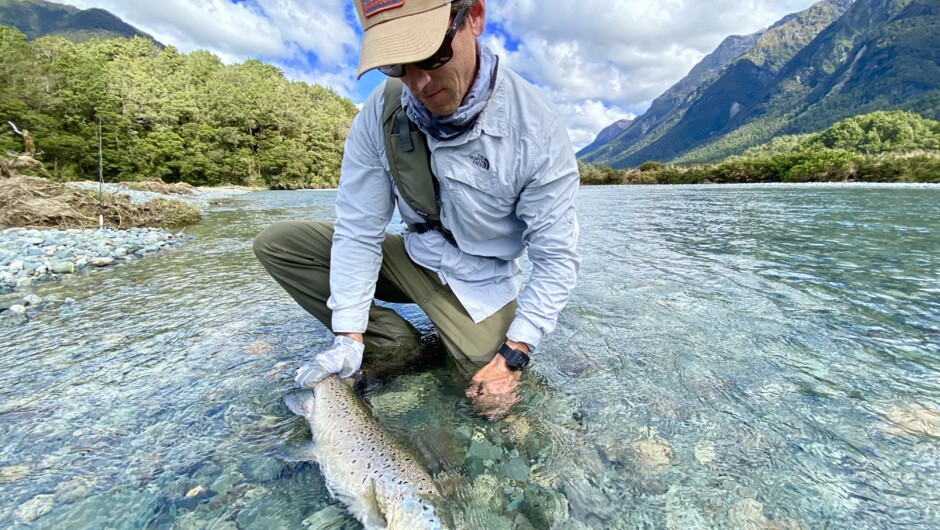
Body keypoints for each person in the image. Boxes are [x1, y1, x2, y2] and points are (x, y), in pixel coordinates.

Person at [254, 0, 580, 419]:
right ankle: (394, 343)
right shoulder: (380, 112)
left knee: (494, 406)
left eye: (431, 54)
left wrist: (512, 357)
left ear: (474, 17)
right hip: (413, 257)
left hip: (481, 283)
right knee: (279, 245)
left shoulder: (537, 129)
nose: (419, 82)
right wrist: (349, 338)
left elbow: (556, 261)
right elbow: (358, 230)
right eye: (396, 66)